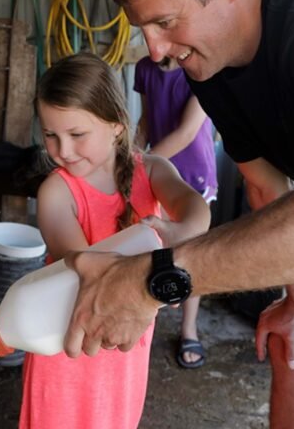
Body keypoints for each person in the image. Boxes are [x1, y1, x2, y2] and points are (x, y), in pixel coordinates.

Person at [62, 0, 294, 429]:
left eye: (166, 22)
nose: (154, 51)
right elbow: (267, 189)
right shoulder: (213, 70)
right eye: (143, 30)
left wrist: (155, 280)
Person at [20, 52, 210, 429]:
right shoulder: (56, 191)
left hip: (125, 349)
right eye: (50, 135)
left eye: (77, 135)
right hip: (68, 347)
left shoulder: (152, 169)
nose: (63, 150)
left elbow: (194, 207)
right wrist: (160, 272)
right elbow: (90, 265)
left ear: (117, 126)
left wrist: (184, 232)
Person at [133, 55, 218, 368]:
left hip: (192, 173)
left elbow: (186, 132)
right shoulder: (144, 69)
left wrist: (139, 164)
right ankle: (145, 320)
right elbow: (145, 120)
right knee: (154, 245)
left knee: (190, 252)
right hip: (157, 172)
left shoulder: (199, 69)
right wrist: (133, 152)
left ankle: (188, 328)